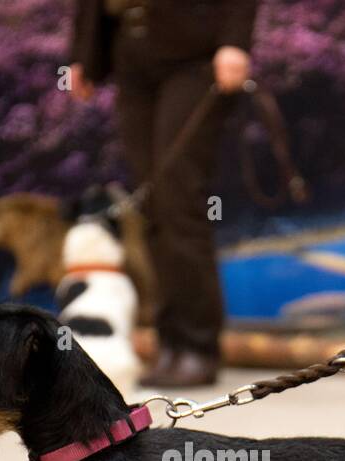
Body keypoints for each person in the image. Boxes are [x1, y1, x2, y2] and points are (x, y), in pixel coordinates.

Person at [69, 0, 258, 388]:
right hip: (130, 54)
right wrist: (84, 54)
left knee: (179, 201)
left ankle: (197, 347)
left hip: (193, 54)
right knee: (152, 206)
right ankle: (169, 343)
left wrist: (235, 42)